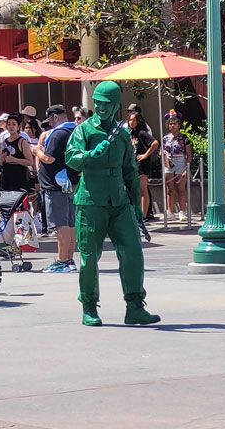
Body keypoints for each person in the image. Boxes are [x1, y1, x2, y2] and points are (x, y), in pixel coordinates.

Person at [65, 81, 160, 327]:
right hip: (91, 200)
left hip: (119, 201)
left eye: (106, 104)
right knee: (89, 257)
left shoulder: (122, 133)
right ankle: (89, 306)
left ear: (116, 104)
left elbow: (130, 169)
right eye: (97, 103)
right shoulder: (83, 130)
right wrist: (89, 155)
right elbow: (71, 159)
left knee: (133, 252)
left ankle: (135, 306)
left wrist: (137, 203)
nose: (101, 107)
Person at [35, 105, 77, 272]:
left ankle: (62, 261)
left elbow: (48, 158)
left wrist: (36, 150)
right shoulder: (73, 131)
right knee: (69, 223)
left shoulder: (59, 133)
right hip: (69, 182)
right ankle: (69, 259)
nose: (50, 124)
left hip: (57, 185)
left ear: (55, 117)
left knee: (61, 225)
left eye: (50, 120)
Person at [161, 112, 193, 223]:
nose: (173, 126)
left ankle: (182, 211)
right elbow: (162, 151)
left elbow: (189, 154)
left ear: (179, 125)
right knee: (170, 188)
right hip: (168, 161)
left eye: (175, 123)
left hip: (180, 161)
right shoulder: (165, 138)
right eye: (171, 124)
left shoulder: (184, 138)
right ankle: (170, 211)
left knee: (181, 189)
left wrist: (186, 168)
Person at [127, 110, 158, 221]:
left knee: (143, 189)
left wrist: (145, 155)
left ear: (138, 121)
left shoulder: (142, 133)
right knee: (136, 190)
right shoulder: (131, 133)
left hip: (142, 164)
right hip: (133, 164)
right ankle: (138, 213)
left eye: (134, 120)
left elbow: (155, 143)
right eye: (130, 120)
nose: (131, 122)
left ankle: (144, 215)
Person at [0, 114, 35, 192]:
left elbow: (30, 161)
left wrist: (14, 159)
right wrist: (1, 160)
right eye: (9, 124)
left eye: (14, 124)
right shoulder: (4, 141)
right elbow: (0, 160)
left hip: (19, 177)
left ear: (18, 126)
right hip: (6, 177)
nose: (11, 126)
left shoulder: (22, 141)